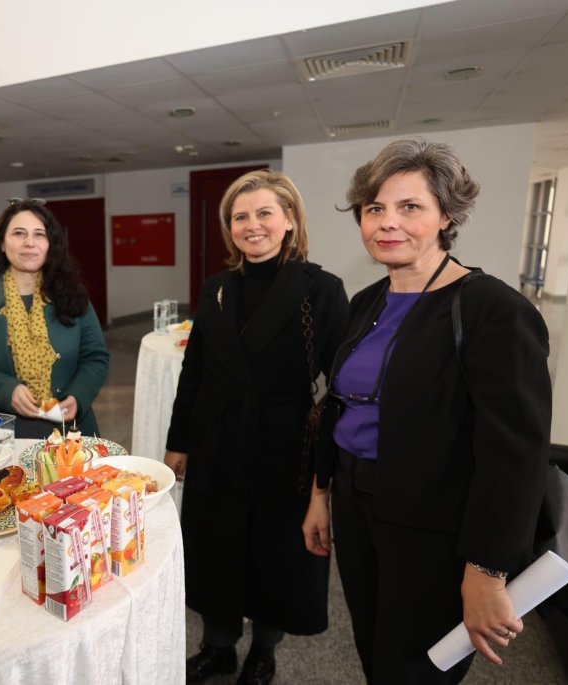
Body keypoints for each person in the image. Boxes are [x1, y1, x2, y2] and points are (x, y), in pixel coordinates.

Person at [302, 138, 551, 684]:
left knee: (417, 664)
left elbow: (515, 455)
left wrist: (487, 570)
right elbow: (339, 407)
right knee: (373, 643)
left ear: (446, 215)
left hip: (434, 521)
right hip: (358, 501)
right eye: (374, 209)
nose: (387, 223)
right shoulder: (368, 300)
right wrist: (321, 495)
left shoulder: (493, 310)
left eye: (409, 207)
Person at [164, 170, 348, 685]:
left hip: (284, 443)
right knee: (216, 547)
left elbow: (340, 388)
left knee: (276, 554)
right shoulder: (218, 288)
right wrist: (178, 443)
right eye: (240, 217)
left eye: (265, 213)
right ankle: (218, 645)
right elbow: (195, 372)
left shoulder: (323, 289)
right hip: (218, 440)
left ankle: (264, 649)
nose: (252, 225)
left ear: (289, 220)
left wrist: (327, 477)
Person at [0, 198, 109, 439]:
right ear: (2, 243)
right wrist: (6, 390)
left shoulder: (74, 299)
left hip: (69, 430)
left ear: (50, 244)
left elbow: (96, 357)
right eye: (19, 233)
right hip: (1, 436)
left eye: (39, 234)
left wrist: (78, 396)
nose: (29, 243)